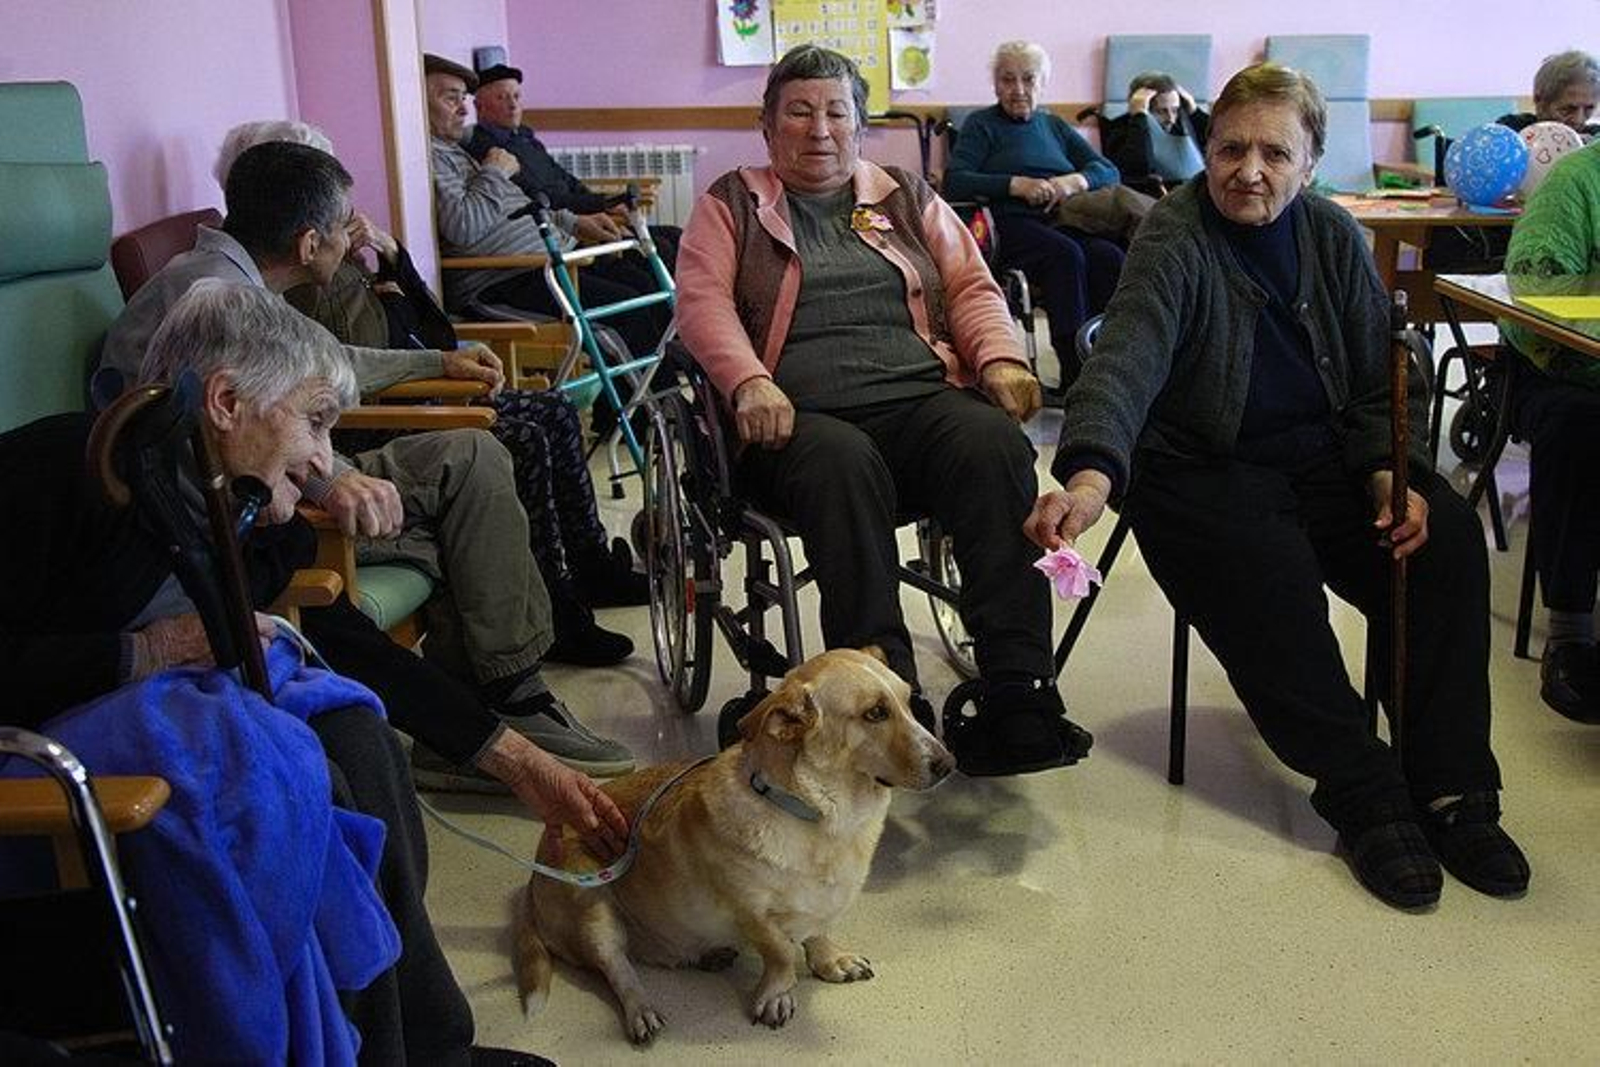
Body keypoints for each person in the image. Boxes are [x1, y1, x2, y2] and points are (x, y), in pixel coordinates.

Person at [1, 281, 619, 1065]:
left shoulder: (225, 508)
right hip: (49, 770)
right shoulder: (58, 475)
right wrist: (143, 653)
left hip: (138, 732)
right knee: (297, 776)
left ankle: (425, 1047)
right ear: (225, 401)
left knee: (360, 737)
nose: (327, 461)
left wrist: (519, 762)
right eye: (317, 421)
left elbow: (345, 638)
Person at [1025, 63, 1529, 909]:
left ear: (1311, 161)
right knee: (1269, 572)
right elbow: (1128, 355)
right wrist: (1089, 473)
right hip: (1198, 468)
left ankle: (1450, 787)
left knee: (1441, 542)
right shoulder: (1175, 236)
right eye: (1229, 148)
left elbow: (1376, 377)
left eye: (1272, 152)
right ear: (1205, 147)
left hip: (1329, 457)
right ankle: (1363, 788)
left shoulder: (1331, 235)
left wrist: (1387, 473)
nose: (1247, 170)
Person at [98, 140, 636, 783]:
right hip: (217, 508)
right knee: (476, 464)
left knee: (471, 450)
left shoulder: (239, 283)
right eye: (341, 222)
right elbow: (207, 442)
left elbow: (329, 365)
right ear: (307, 242)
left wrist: (435, 361)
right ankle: (505, 698)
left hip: (256, 478)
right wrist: (331, 478)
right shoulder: (208, 298)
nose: (351, 232)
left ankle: (501, 693)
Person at [675, 44, 1092, 777]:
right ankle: (885, 692)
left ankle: (1020, 690)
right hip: (800, 421)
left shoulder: (903, 193)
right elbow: (703, 304)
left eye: (837, 111)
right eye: (799, 111)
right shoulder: (730, 203)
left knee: (991, 442)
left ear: (860, 125)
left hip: (920, 402)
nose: (820, 129)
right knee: (842, 462)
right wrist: (748, 380)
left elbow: (970, 286)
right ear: (767, 126)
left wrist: (998, 357)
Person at [214, 120, 648, 658]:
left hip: (416, 389)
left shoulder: (335, 267)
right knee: (525, 434)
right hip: (380, 415)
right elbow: (334, 376)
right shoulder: (303, 287)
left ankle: (588, 569)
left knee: (554, 409)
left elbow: (423, 329)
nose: (347, 221)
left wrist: (392, 256)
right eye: (334, 210)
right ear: (296, 220)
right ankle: (557, 607)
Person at [424, 54, 670, 362]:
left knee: (645, 286)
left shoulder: (457, 149)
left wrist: (573, 222)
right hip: (501, 281)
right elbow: (463, 226)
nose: (464, 109)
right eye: (451, 99)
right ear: (418, 103)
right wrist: (495, 171)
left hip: (549, 259)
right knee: (628, 312)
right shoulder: (430, 157)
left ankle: (664, 398)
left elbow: (523, 205)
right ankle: (648, 407)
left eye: (463, 99)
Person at [943, 40, 1126, 386]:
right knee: (1065, 254)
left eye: (1028, 80)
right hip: (1009, 224)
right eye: (1008, 80)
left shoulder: (1053, 125)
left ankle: (1110, 361)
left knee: (1109, 255)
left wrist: (1073, 181)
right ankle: (1075, 369)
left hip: (1064, 217)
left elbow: (1108, 170)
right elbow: (955, 181)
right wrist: (1016, 185)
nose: (1018, 90)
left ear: (1042, 84)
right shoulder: (981, 126)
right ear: (995, 85)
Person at [1499, 142, 1600, 722]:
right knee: (1581, 430)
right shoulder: (1577, 184)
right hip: (1564, 369)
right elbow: (1536, 295)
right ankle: (1570, 632)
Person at [463, 61, 679, 272]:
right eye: (502, 98)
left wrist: (605, 203)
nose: (513, 105)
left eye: (517, 96)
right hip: (563, 227)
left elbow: (564, 178)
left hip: (584, 214)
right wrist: (599, 204)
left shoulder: (525, 136)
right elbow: (540, 197)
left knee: (676, 236)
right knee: (661, 250)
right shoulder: (490, 152)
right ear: (479, 106)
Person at [1100, 71, 1209, 191]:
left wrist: (1194, 111)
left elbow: (1216, 142)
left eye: (1175, 110)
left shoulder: (1180, 126)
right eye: (1162, 111)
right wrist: (1140, 117)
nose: (1171, 119)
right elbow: (1138, 168)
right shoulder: (1119, 130)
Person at [1498, 50, 1600, 136]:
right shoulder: (1510, 131)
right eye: (1567, 110)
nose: (1578, 120)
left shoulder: (1595, 138)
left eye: (1589, 109)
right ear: (1539, 101)